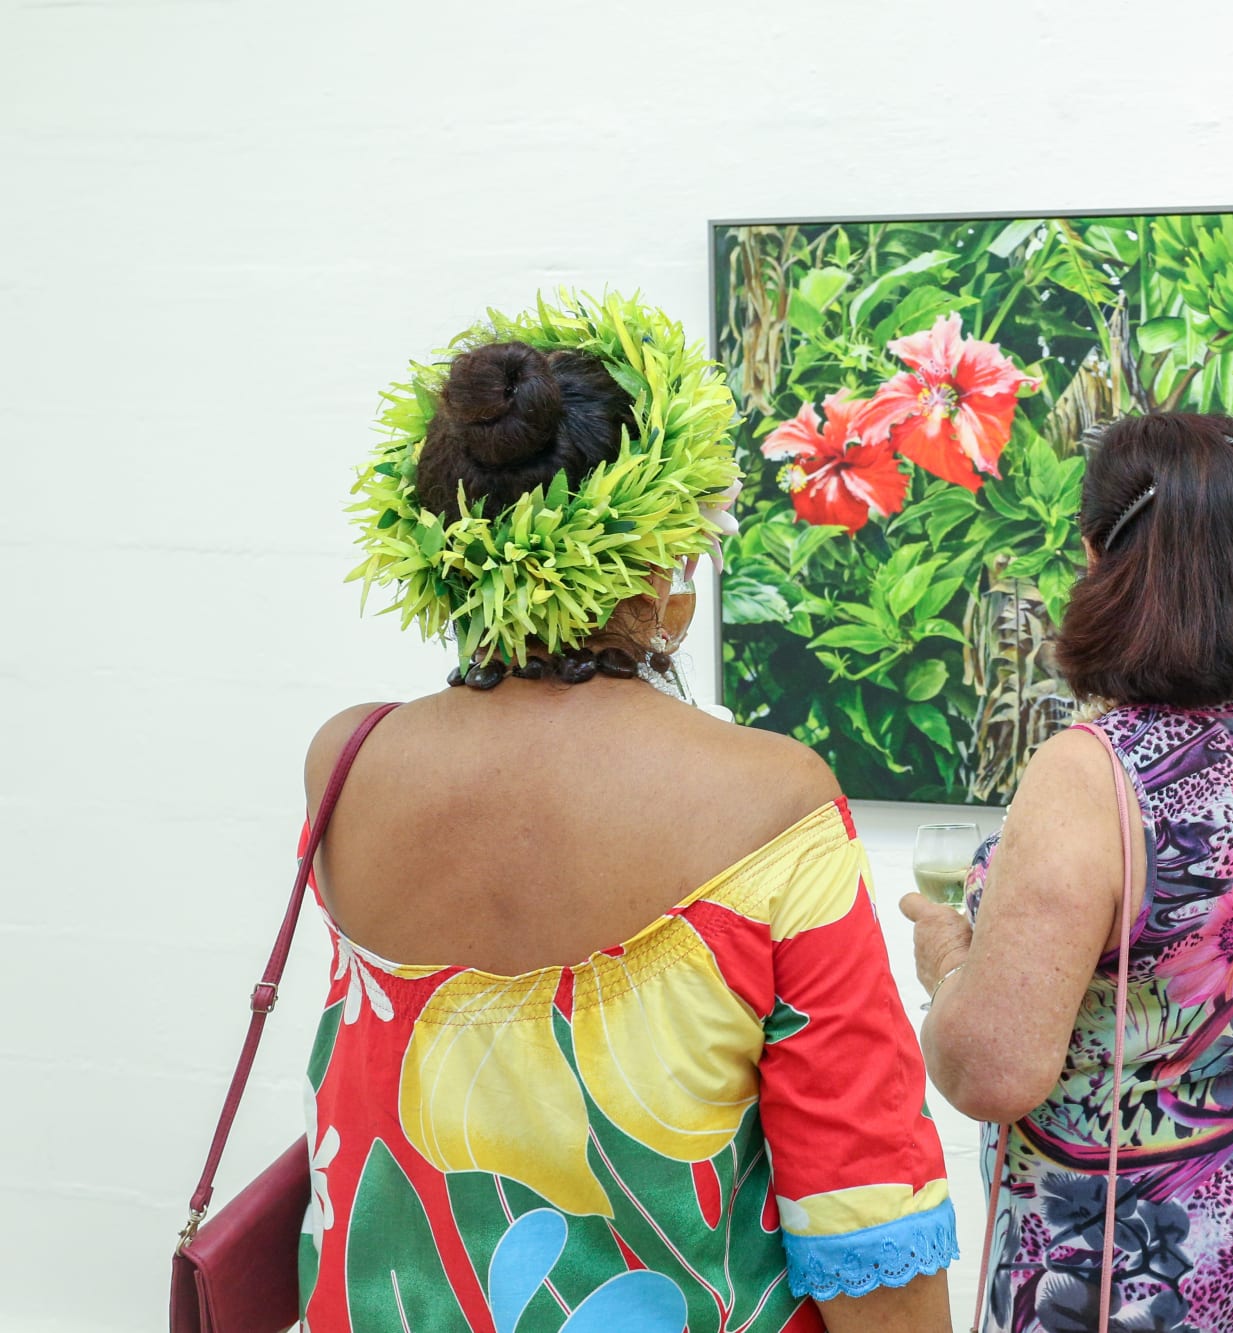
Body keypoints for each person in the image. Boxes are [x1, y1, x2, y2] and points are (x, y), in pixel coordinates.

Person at [300, 294, 955, 1332]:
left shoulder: (346, 762)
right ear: (663, 545)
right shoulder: (772, 798)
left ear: (442, 540)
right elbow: (860, 1200)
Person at [903, 412, 1233, 1333]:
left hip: (1151, 1275)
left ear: (1101, 560)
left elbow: (993, 1070)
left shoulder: (1091, 772)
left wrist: (947, 960)